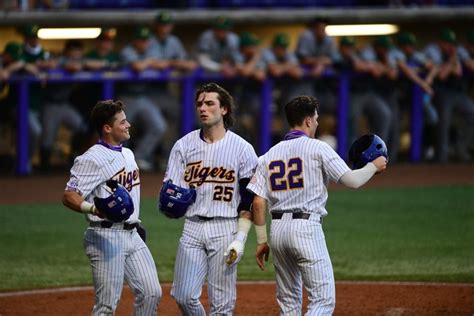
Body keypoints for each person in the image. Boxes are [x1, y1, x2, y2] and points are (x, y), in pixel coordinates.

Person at [247, 95, 387, 315]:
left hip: (278, 232)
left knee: (289, 302)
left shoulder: (267, 156)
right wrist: (373, 166)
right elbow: (352, 180)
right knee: (322, 301)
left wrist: (262, 241)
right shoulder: (318, 148)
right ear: (309, 121)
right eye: (317, 118)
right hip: (306, 229)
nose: (318, 123)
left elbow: (257, 201)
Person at [161, 82, 258, 315]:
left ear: (224, 109)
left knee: (222, 305)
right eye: (199, 104)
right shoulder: (183, 146)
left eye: (209, 103)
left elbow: (249, 200)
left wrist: (241, 238)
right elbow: (169, 189)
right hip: (192, 228)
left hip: (225, 229)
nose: (203, 108)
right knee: (183, 296)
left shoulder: (242, 149)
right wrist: (172, 200)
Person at [62, 99, 162, 315]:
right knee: (106, 306)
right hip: (105, 237)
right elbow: (69, 195)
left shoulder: (127, 153)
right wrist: (93, 209)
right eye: (123, 122)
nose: (128, 125)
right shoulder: (91, 159)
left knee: (151, 292)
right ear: (108, 128)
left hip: (132, 234)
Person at [118, 26, 167, 171]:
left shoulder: (150, 50)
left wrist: (149, 62)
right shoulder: (126, 51)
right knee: (121, 130)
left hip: (143, 96)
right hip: (126, 97)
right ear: (134, 41)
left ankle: (139, 157)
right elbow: (137, 66)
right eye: (140, 40)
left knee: (159, 126)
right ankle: (120, 161)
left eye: (145, 41)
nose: (143, 44)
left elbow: (164, 64)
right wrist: (150, 62)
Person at [423, 28, 474, 162]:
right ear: (440, 42)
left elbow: (458, 71)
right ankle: (441, 157)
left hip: (459, 92)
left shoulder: (458, 51)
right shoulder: (433, 51)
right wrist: (451, 62)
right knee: (443, 123)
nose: (449, 46)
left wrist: (453, 63)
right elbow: (442, 75)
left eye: (451, 43)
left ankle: (460, 148)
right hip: (442, 92)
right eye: (446, 42)